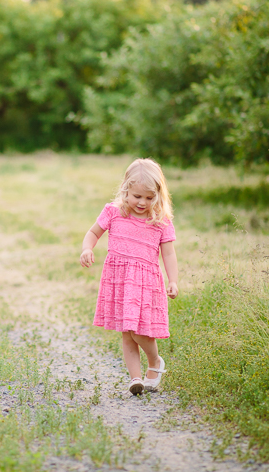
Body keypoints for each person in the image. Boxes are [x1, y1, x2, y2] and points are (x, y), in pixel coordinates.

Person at [80, 158, 179, 395]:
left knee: (139, 331)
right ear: (126, 190)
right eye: (137, 196)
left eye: (149, 197)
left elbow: (169, 254)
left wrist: (173, 280)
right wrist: (87, 248)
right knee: (127, 333)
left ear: (158, 194)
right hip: (121, 281)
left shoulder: (161, 222)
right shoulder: (113, 212)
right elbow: (93, 233)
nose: (142, 203)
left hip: (146, 283)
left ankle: (155, 362)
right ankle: (136, 378)